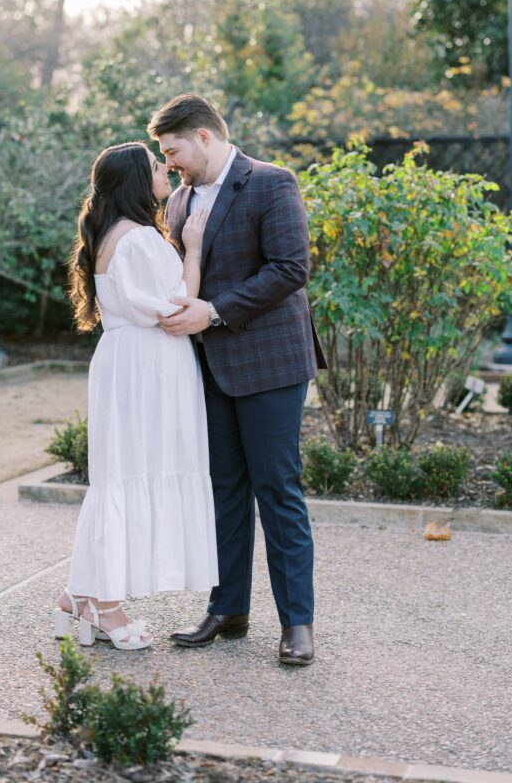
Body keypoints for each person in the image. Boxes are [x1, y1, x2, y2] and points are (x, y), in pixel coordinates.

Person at [148, 93, 327, 667]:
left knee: (278, 491)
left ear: (204, 136)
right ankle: (229, 609)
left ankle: (297, 623)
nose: (170, 163)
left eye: (173, 151)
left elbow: (290, 268)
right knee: (223, 489)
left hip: (270, 363)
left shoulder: (272, 183)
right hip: (205, 368)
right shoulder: (177, 201)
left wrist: (215, 311)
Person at [55, 141, 218, 651]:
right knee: (129, 476)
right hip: (149, 364)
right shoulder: (142, 239)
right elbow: (179, 307)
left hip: (126, 361)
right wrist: (192, 249)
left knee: (119, 477)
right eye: (155, 165)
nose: (166, 169)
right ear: (135, 181)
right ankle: (106, 605)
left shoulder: (109, 234)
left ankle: (79, 596)